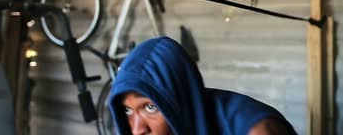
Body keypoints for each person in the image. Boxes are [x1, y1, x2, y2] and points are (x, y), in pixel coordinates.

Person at [109, 36, 298, 135]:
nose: (137, 129)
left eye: (150, 107)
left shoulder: (256, 131)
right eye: (127, 110)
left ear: (178, 101)